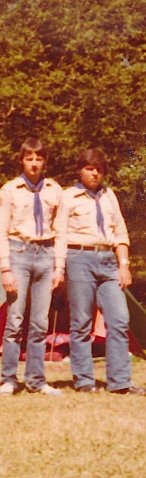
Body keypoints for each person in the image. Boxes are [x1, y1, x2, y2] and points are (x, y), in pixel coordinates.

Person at [53, 149, 144, 395]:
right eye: (89, 168)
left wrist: (123, 264)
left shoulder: (109, 196)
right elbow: (60, 234)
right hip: (79, 257)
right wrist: (59, 267)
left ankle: (120, 381)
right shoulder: (68, 196)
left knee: (119, 319)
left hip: (107, 260)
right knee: (82, 321)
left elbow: (121, 233)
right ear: (80, 170)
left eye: (99, 169)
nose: (94, 173)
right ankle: (84, 380)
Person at [0, 137, 63, 396]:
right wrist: (5, 267)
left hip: (45, 254)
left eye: (39, 158)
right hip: (19, 253)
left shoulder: (55, 190)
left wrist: (59, 266)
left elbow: (61, 230)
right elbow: (0, 231)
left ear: (45, 161)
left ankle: (36, 379)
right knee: (15, 319)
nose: (34, 164)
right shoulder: (10, 190)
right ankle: (9, 379)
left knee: (40, 322)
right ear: (22, 160)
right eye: (29, 158)